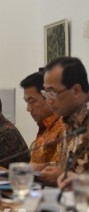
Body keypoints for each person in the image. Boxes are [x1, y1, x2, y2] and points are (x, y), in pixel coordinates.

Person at [41, 57, 89, 188]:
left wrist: (66, 178)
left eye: (52, 92)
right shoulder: (69, 119)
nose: (48, 101)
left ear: (76, 90)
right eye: (46, 92)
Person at [20, 72, 65, 186]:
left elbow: (59, 170)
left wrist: (36, 168)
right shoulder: (43, 127)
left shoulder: (64, 126)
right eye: (26, 102)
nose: (28, 108)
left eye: (32, 101)